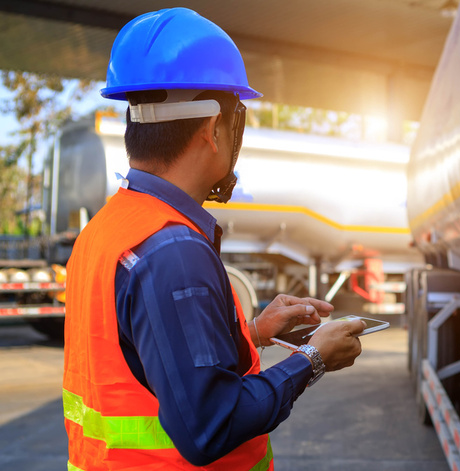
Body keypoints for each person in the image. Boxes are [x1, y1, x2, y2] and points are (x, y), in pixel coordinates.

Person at [62, 7, 365, 470]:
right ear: (213, 129)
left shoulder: (108, 228)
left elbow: (147, 357)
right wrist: (312, 359)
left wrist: (255, 331)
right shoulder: (173, 248)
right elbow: (210, 425)